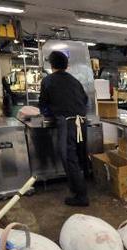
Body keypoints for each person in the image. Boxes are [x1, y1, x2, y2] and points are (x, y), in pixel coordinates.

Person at [39, 51, 89, 207]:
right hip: (82, 122)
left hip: (68, 123)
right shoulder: (75, 81)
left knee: (69, 158)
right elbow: (85, 100)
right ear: (67, 65)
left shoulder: (48, 81)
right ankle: (80, 188)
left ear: (51, 65)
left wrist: (50, 113)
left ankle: (81, 196)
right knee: (80, 156)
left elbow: (43, 104)